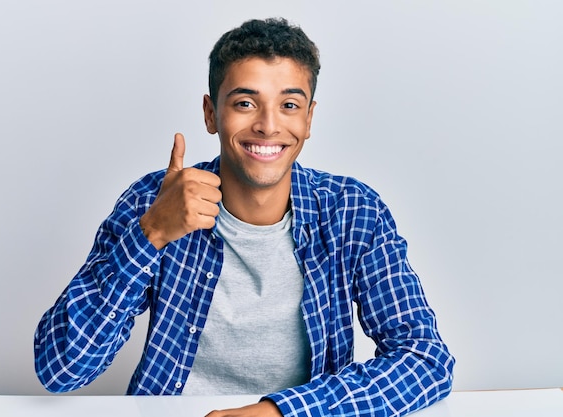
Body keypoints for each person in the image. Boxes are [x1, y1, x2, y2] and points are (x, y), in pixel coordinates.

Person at [34, 17, 454, 417]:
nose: (268, 126)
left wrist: (279, 411)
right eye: (245, 102)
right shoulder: (156, 200)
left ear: (309, 119)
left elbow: (425, 358)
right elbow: (60, 370)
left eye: (289, 104)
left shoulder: (353, 212)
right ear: (211, 113)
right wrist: (151, 234)